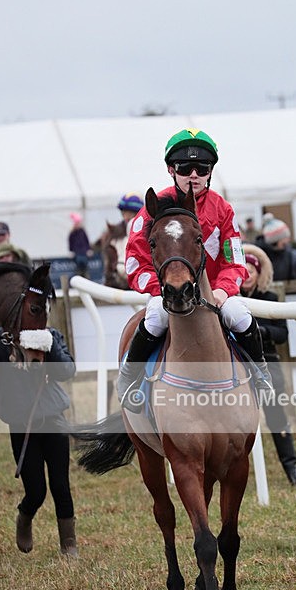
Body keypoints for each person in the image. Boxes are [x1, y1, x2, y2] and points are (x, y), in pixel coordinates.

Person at [119, 128, 273, 408]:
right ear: (171, 169)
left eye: (202, 168)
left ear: (210, 171)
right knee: (155, 318)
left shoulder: (223, 210)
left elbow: (235, 259)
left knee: (239, 314)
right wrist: (162, 289)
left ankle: (261, 376)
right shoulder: (149, 212)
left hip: (213, 295)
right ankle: (128, 382)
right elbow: (135, 262)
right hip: (169, 293)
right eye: (185, 167)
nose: (194, 175)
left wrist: (223, 291)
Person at [0, 326, 78, 558]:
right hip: (21, 425)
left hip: (54, 419)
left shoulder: (51, 335)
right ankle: (24, 517)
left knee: (60, 484)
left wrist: (47, 344)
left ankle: (69, 544)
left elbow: (67, 370)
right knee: (36, 491)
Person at [241, 244, 296, 485]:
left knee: (277, 417)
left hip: (268, 363)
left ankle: (292, 469)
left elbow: (282, 333)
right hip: (237, 366)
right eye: (243, 269)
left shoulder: (269, 299)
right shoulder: (229, 300)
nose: (247, 274)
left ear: (260, 274)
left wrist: (261, 331)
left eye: (252, 269)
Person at [254, 213, 296, 280]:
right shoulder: (258, 257)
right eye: (284, 238)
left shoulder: (293, 256)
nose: (287, 240)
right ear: (275, 240)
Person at [68, 212, 92, 278]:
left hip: (84, 252)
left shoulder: (82, 231)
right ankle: (79, 278)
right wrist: (71, 251)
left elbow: (87, 241)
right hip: (77, 252)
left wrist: (88, 249)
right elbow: (70, 242)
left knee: (85, 266)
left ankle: (86, 278)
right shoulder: (72, 233)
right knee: (79, 266)